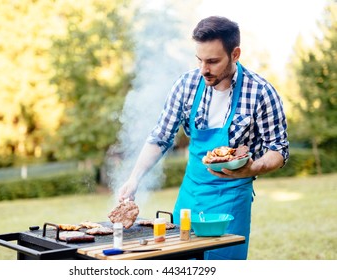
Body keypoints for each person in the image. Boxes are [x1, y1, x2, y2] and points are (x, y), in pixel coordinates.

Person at [118, 16, 289, 260]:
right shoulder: (186, 85)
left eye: (212, 61)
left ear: (235, 54)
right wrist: (134, 179)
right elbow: (160, 137)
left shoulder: (261, 92)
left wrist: (254, 167)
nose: (203, 70)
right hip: (190, 197)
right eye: (199, 59)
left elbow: (279, 150)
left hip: (231, 200)